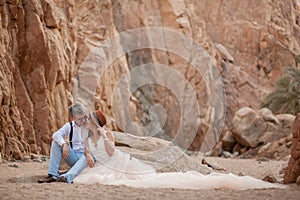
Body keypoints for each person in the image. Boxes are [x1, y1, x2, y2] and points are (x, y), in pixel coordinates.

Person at [73, 109, 287, 190]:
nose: (88, 122)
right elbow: (86, 148)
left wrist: (103, 136)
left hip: (117, 161)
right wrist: (89, 153)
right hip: (101, 163)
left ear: (97, 124)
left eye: (91, 120)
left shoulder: (105, 134)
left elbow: (111, 152)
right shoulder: (87, 134)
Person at [38, 103, 94, 183]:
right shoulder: (69, 126)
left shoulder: (89, 124)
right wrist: (64, 144)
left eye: (84, 117)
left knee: (87, 155)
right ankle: (53, 175)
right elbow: (56, 135)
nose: (83, 120)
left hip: (87, 158)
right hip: (74, 157)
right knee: (55, 143)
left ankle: (67, 177)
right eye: (80, 119)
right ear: (73, 118)